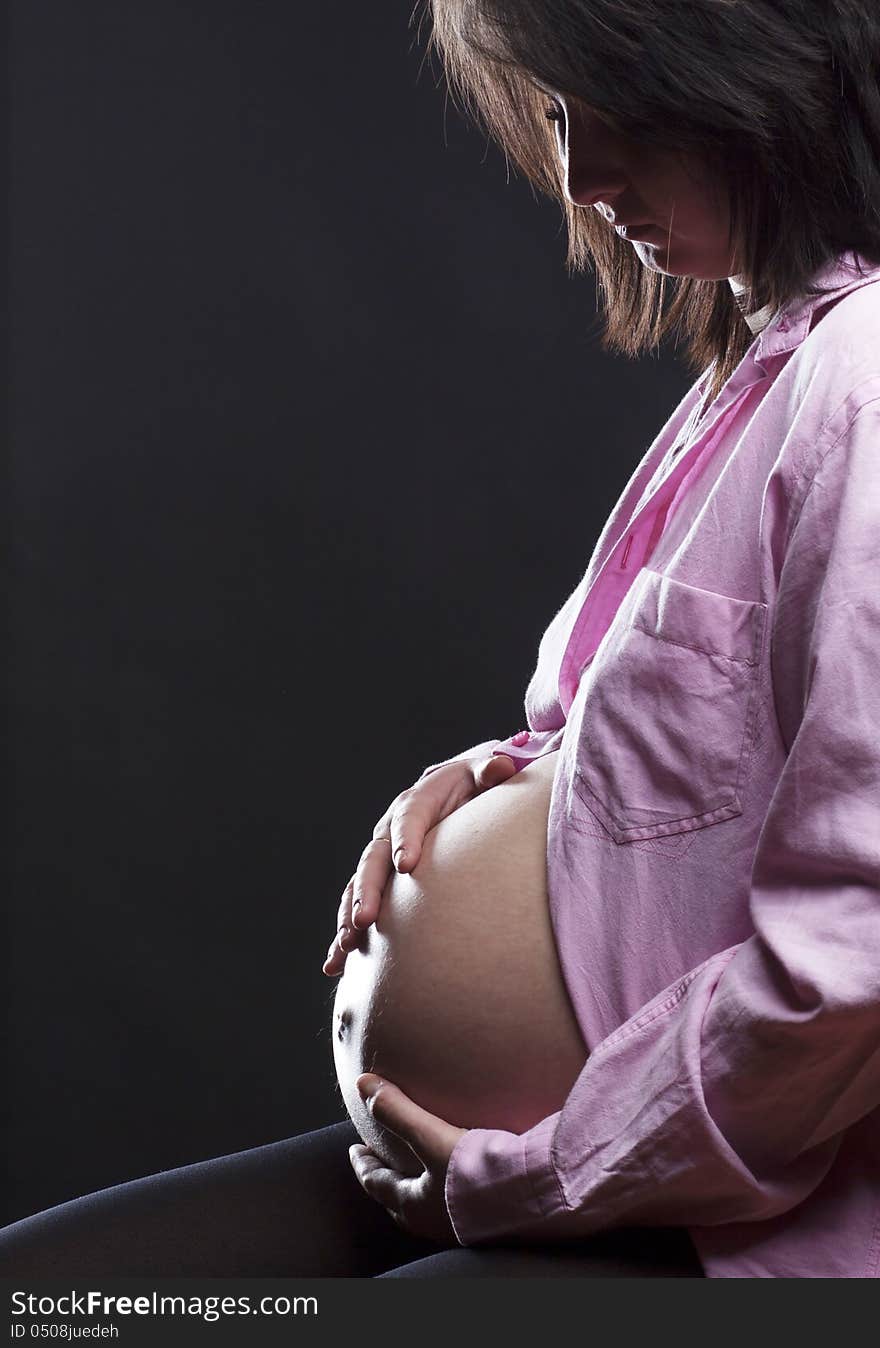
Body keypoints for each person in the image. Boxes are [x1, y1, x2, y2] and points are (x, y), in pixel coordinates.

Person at [3, 0, 880, 1278]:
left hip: (708, 1220)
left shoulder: (865, 372)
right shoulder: (755, 370)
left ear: (760, 71)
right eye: (557, 117)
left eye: (616, 109)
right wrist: (520, 778)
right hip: (546, 1167)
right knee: (48, 1287)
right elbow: (720, 769)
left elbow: (855, 955)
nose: (581, 177)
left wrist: (548, 1173)